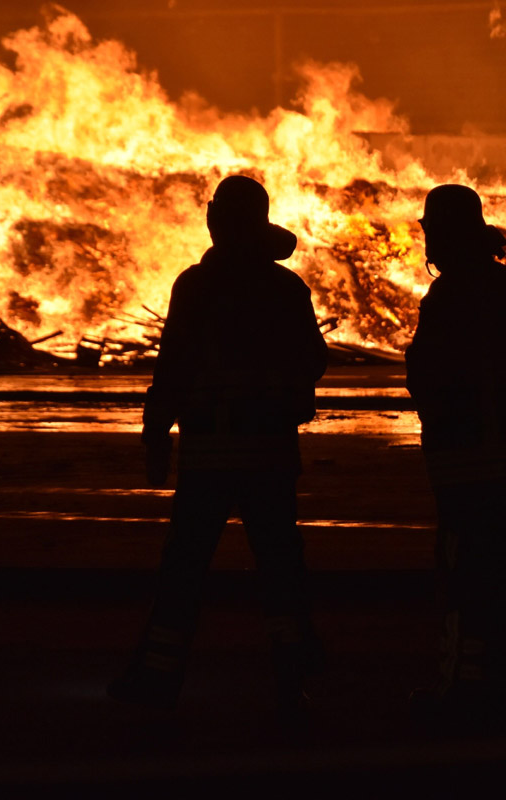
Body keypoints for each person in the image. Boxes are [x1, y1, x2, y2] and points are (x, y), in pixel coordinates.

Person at [108, 176, 328, 721]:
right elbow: (313, 359)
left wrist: (156, 431)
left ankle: (157, 681)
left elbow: (173, 366)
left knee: (185, 568)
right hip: (271, 454)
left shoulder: (197, 286)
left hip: (207, 455)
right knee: (279, 566)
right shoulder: (286, 289)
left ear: (215, 219)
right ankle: (293, 682)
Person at [405, 184, 506, 729]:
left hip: (461, 463)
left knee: (462, 578)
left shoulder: (448, 297)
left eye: (432, 229)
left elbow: (427, 375)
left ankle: (462, 690)